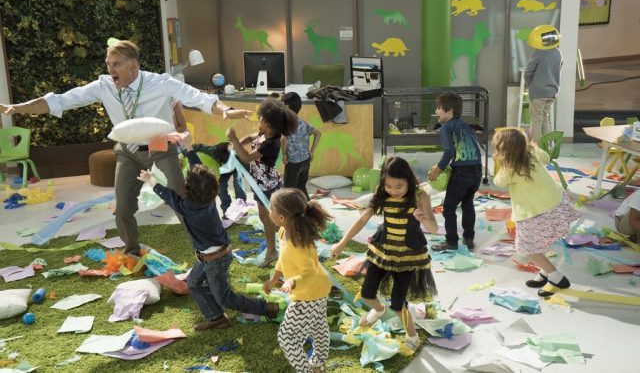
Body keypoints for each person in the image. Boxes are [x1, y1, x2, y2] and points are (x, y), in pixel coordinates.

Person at [0, 40, 251, 256]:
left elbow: (200, 98)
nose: (110, 70)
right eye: (108, 64)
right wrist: (17, 108)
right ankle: (131, 251)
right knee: (122, 209)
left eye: (116, 64)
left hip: (161, 147)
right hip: (128, 152)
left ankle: (205, 248)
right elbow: (61, 100)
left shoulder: (161, 83)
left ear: (134, 66)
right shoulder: (103, 86)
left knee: (182, 200)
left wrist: (226, 110)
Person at [137, 132, 279, 331]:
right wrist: (188, 147)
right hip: (211, 255)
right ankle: (216, 318)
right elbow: (198, 170)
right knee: (194, 283)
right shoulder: (208, 197)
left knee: (226, 298)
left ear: (189, 190)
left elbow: (166, 194)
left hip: (215, 260)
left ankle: (265, 308)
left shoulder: (187, 207)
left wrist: (150, 178)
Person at [331, 157, 438, 352]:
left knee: (398, 304)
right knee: (367, 294)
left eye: (399, 186)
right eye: (388, 186)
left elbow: (434, 228)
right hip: (382, 250)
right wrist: (342, 242)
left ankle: (412, 335)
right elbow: (363, 219)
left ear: (409, 180)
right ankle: (379, 310)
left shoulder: (420, 196)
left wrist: (424, 219)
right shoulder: (381, 193)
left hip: (407, 256)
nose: (393, 191)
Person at [492, 128, 580, 297]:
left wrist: (501, 162)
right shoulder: (532, 153)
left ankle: (556, 277)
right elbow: (546, 157)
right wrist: (532, 146)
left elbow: (498, 181)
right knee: (538, 243)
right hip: (554, 203)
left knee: (527, 247)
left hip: (537, 212)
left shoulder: (510, 168)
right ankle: (545, 272)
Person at [263, 188, 332, 373]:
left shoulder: (297, 242)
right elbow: (283, 259)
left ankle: (307, 370)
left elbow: (309, 273)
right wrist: (274, 278)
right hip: (319, 289)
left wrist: (292, 282)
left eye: (271, 209)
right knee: (318, 327)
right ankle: (317, 365)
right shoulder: (283, 232)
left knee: (287, 338)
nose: (269, 212)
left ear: (281, 217)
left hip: (308, 295)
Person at [227, 98, 298, 267]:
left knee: (274, 220)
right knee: (265, 218)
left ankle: (291, 246)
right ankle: (274, 250)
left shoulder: (271, 144)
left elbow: (247, 157)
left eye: (261, 118)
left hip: (267, 186)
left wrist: (234, 139)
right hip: (259, 184)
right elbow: (250, 137)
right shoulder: (263, 134)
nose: (258, 119)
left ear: (270, 124)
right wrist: (237, 144)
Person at [428, 91, 483, 251]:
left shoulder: (446, 128)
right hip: (477, 170)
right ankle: (469, 238)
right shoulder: (466, 126)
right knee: (467, 203)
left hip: (462, 172)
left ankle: (451, 242)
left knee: (449, 207)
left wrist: (439, 168)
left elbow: (449, 151)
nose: (436, 111)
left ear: (450, 110)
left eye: (439, 108)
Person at [524, 24, 563, 144]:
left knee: (536, 121)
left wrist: (529, 84)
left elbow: (528, 71)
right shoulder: (558, 53)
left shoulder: (538, 53)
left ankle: (536, 149)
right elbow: (558, 70)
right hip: (552, 92)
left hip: (538, 92)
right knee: (545, 119)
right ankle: (547, 147)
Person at [280, 92, 321, 199]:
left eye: (282, 107)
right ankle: (308, 206)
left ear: (287, 108)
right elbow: (318, 133)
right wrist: (311, 152)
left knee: (289, 191)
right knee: (301, 187)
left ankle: (292, 208)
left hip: (293, 163)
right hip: (305, 160)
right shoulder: (303, 123)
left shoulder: (286, 124)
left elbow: (283, 139)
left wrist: (284, 155)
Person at [191, 141, 247, 217]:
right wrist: (180, 156)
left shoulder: (237, 154)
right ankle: (226, 210)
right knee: (221, 188)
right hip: (222, 170)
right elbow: (193, 147)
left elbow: (247, 165)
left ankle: (241, 208)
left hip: (237, 166)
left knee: (238, 185)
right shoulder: (211, 150)